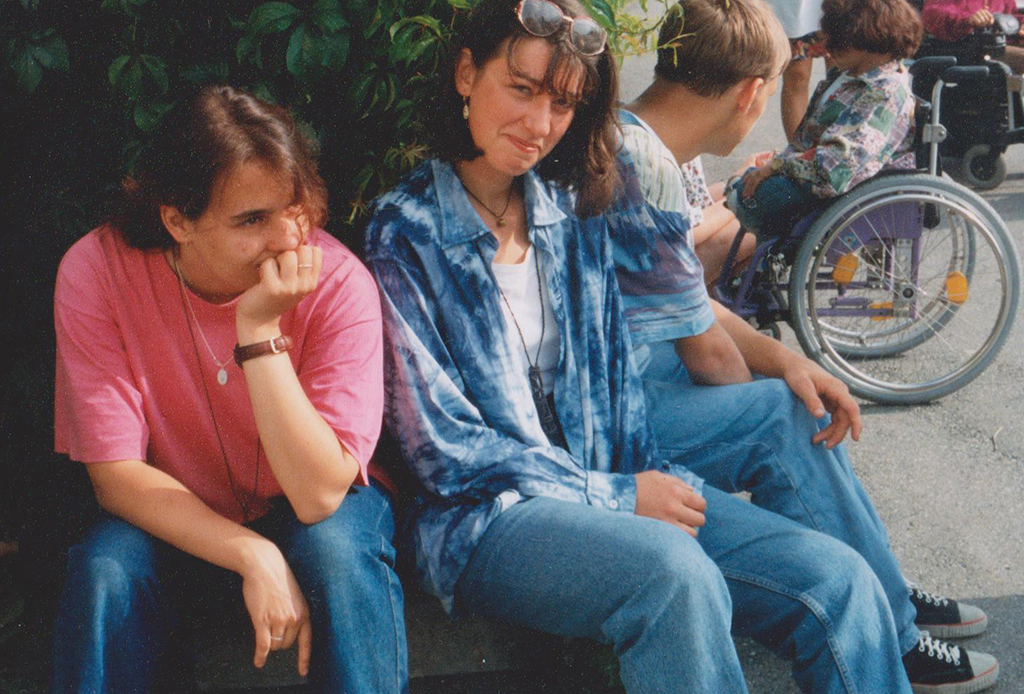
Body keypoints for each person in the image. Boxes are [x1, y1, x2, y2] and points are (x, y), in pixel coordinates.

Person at [366, 0, 951, 691]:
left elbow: (633, 365)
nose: (539, 124)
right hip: (490, 521)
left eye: (562, 104)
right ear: (467, 74)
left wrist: (648, 477)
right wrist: (615, 496)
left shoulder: (575, 203)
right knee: (676, 575)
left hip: (617, 477)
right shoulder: (406, 230)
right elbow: (446, 452)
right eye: (520, 89)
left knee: (839, 579)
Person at [609, 1, 999, 692]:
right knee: (788, 415)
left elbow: (691, 308)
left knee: (793, 397)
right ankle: (892, 621)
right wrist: (774, 390)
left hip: (628, 376)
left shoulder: (631, 138)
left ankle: (882, 584)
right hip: (624, 400)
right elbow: (704, 346)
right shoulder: (645, 162)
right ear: (750, 94)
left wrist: (790, 362)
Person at [52, 86, 407, 694]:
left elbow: (320, 495)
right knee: (106, 572)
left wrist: (259, 330)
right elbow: (115, 476)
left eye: (293, 209)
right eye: (252, 220)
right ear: (177, 221)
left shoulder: (337, 282)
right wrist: (250, 553)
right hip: (174, 510)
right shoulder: (98, 271)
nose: (287, 239)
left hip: (311, 504)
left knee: (339, 555)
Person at [724, 0, 923, 239]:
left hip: (840, 192)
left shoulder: (884, 93)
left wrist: (778, 166)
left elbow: (835, 170)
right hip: (820, 178)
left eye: (838, 40)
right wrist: (780, 162)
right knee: (751, 186)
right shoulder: (848, 75)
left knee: (751, 193)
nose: (827, 48)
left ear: (869, 39)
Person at [922, 0, 1024, 73]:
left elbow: (1012, 15)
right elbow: (931, 15)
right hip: (968, 51)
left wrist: (1021, 24)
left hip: (998, 45)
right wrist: (968, 20)